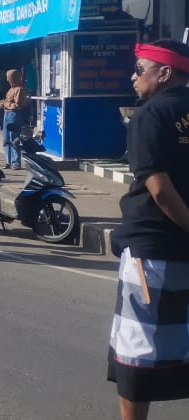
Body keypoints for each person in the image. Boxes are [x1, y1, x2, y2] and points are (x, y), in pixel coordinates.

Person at [107, 40, 189, 420]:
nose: (133, 76)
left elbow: (157, 187)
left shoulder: (150, 114)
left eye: (140, 69)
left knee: (137, 348)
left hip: (154, 247)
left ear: (165, 73)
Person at [0, 69, 29, 168]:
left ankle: (16, 162)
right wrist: (3, 103)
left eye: (9, 78)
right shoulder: (10, 90)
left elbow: (19, 105)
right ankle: (8, 161)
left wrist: (6, 104)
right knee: (6, 139)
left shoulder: (19, 90)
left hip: (14, 115)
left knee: (14, 139)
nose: (8, 81)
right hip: (7, 114)